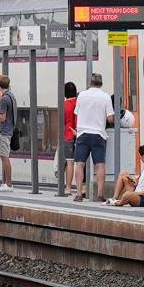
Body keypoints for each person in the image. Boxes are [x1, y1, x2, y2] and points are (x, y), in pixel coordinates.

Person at [71, 73, 113, 203]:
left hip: (83, 134)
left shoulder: (82, 95)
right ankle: (100, 194)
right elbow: (110, 118)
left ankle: (78, 194)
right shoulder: (106, 97)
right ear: (101, 83)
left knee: (79, 163)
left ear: (90, 83)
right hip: (99, 135)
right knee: (100, 165)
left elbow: (76, 113)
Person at [0, 75, 17, 191]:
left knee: (4, 157)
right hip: (10, 129)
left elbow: (2, 118)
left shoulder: (4, 99)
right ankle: (7, 183)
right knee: (4, 156)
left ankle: (8, 184)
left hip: (4, 131)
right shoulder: (12, 96)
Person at [57, 82, 80, 196]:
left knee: (68, 162)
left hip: (67, 135)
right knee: (78, 163)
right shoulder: (79, 102)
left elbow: (62, 122)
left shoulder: (64, 105)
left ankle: (68, 188)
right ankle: (80, 188)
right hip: (79, 134)